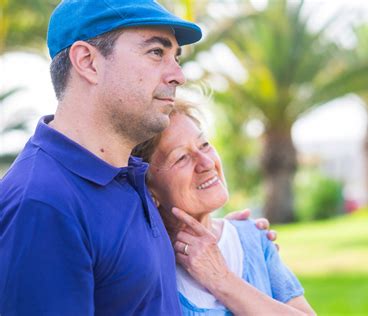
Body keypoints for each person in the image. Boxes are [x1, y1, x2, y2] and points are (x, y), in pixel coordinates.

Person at [0, 1, 274, 315]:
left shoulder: (127, 176)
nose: (178, 76)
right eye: (156, 52)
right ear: (88, 62)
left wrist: (227, 236)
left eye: (175, 57)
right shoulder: (41, 204)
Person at [132, 99, 316, 315]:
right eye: (181, 158)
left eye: (204, 145)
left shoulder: (253, 238)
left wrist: (222, 279)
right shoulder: (144, 265)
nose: (207, 162)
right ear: (149, 187)